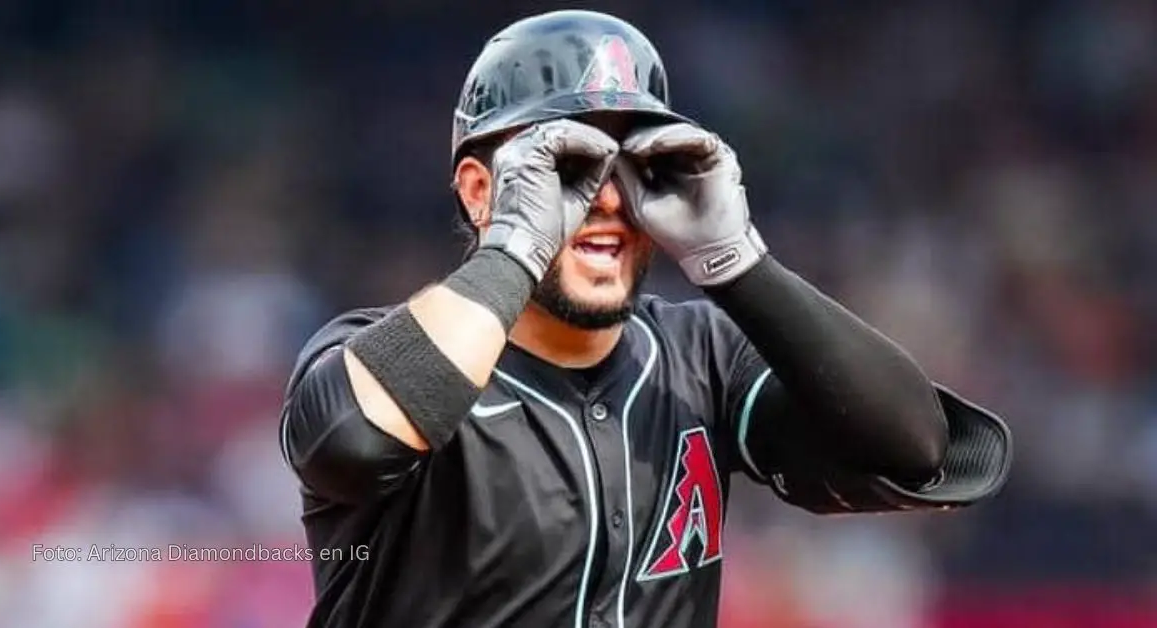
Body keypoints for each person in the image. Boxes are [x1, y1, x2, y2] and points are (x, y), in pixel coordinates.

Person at [278, 9, 1012, 628]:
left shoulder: (702, 353)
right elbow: (352, 440)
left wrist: (738, 262)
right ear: (478, 189)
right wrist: (516, 245)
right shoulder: (372, 353)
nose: (604, 198)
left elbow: (921, 448)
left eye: (633, 163)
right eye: (566, 165)